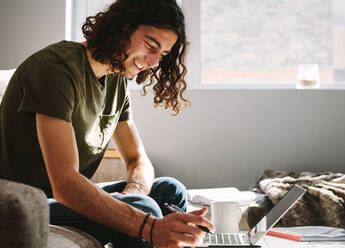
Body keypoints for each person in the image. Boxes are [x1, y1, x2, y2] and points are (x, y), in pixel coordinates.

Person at [0, 0, 214, 247]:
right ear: (122, 28)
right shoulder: (56, 69)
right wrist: (149, 225)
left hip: (59, 201)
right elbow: (65, 184)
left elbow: (137, 159)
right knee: (145, 208)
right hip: (26, 204)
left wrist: (133, 191)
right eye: (150, 45)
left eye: (163, 54)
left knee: (170, 189)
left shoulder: (116, 80)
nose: (155, 62)